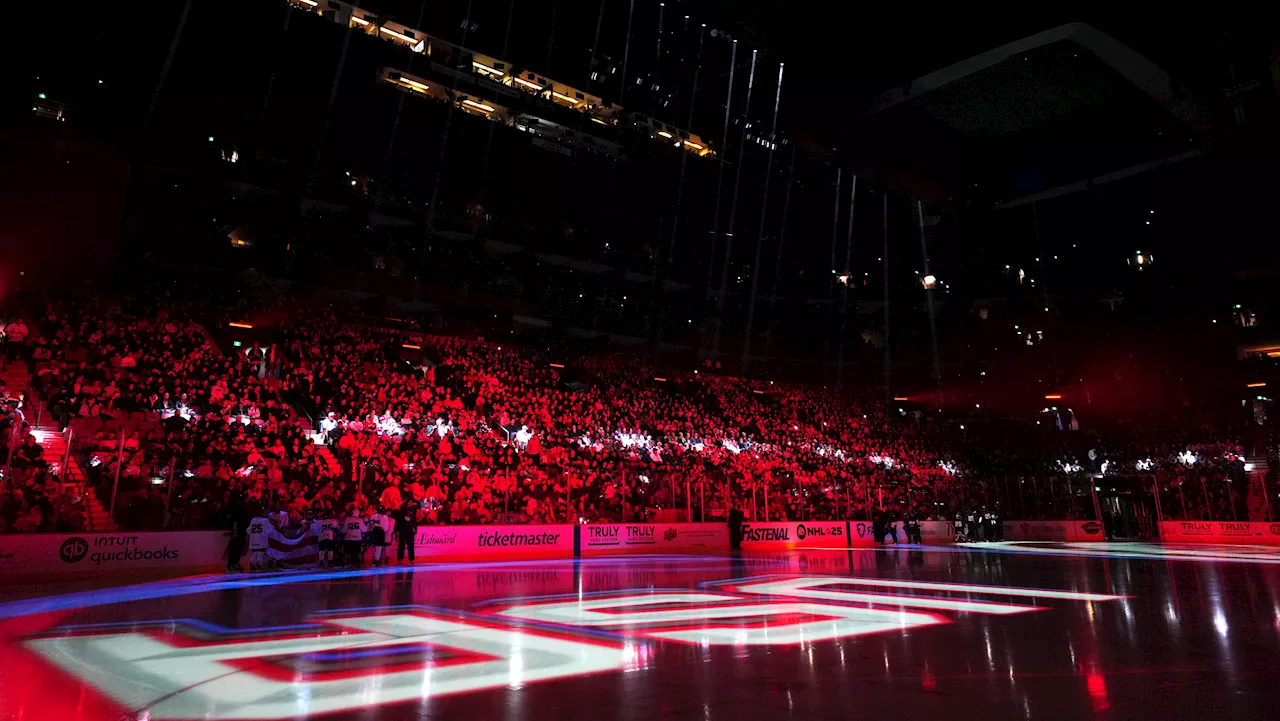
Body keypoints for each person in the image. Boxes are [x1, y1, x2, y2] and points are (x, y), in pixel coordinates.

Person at [395, 500, 419, 565]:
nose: (411, 503)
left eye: (411, 502)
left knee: (411, 546)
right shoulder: (401, 511)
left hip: (410, 531)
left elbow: (414, 520)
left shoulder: (413, 510)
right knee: (401, 545)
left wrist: (415, 528)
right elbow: (398, 521)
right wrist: (397, 530)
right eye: (410, 502)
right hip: (402, 530)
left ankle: (411, 559)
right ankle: (400, 559)